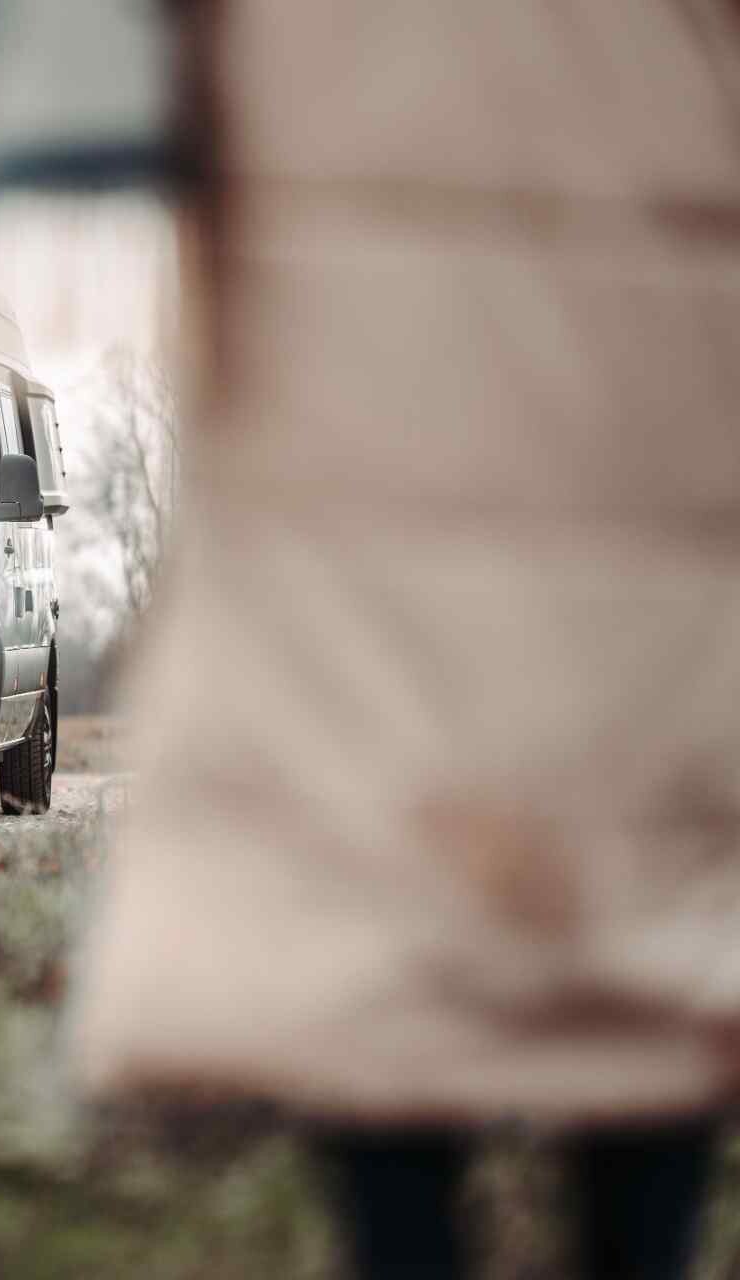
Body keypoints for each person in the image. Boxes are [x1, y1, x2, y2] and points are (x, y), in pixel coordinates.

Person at [56, 2, 740, 1276]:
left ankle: (405, 1242)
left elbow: (14, 52)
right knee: (656, 884)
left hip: (347, 417)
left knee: (370, 890)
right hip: (664, 416)